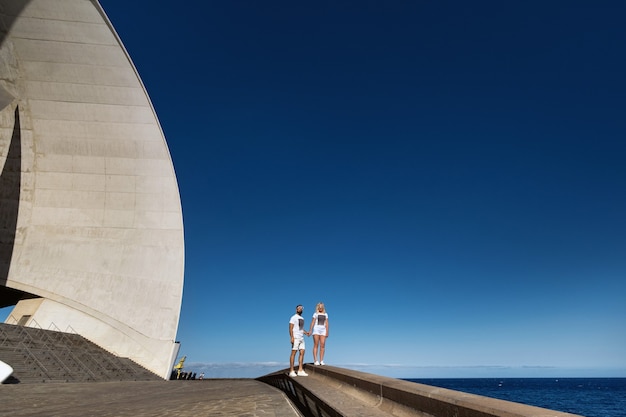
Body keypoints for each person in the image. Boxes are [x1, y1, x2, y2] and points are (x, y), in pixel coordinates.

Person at [289, 304, 309, 377]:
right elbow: (290, 327)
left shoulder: (302, 318)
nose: (300, 309)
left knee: (302, 352)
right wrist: (292, 337)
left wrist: (306, 333)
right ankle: (291, 370)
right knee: (294, 353)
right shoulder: (293, 317)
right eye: (299, 308)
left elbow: (300, 329)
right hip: (296, 337)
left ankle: (300, 370)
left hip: (301, 338)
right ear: (296, 309)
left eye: (301, 308)